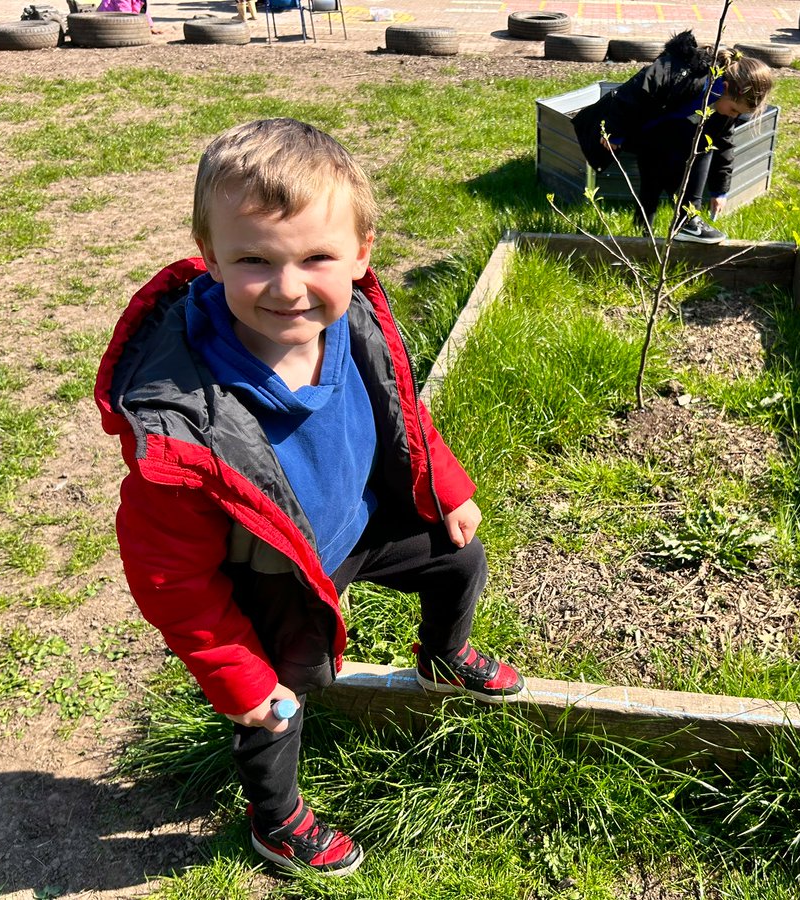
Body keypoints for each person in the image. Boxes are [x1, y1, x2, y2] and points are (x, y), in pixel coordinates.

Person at [95, 118, 525, 877]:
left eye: (316, 258)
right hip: (276, 576)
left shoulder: (354, 320)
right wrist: (238, 677)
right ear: (210, 257)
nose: (288, 288)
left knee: (460, 561)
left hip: (355, 526)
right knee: (282, 704)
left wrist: (446, 485)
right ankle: (277, 818)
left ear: (362, 253)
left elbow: (402, 409)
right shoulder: (182, 421)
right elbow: (170, 575)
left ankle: (444, 656)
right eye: (254, 260)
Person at [572, 30, 774, 244]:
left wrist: (719, 190)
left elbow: (724, 143)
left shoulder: (723, 107)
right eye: (734, 110)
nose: (733, 116)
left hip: (658, 138)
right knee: (696, 146)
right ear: (724, 88)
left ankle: (649, 226)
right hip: (629, 127)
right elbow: (632, 92)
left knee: (685, 152)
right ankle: (688, 219)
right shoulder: (682, 71)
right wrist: (614, 131)